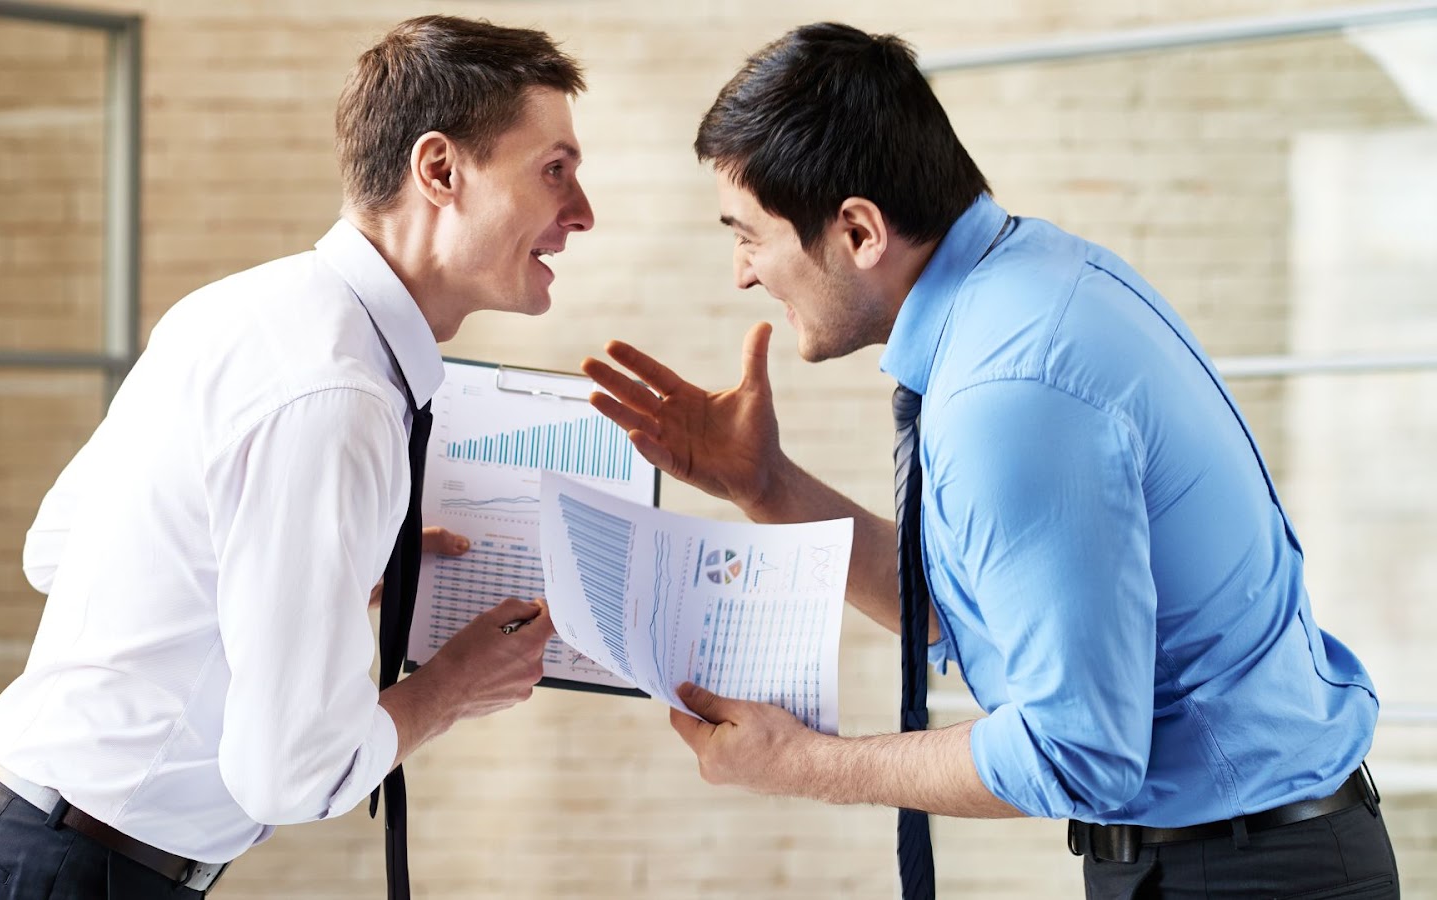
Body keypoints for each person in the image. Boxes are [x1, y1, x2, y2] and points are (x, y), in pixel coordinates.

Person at [582, 22, 1397, 899]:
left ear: (858, 229)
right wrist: (765, 487)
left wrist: (800, 764)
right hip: (1233, 852)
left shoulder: (1010, 395)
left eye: (749, 235)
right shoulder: (1028, 279)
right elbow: (977, 613)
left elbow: (1079, 754)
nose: (743, 273)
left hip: (1239, 872)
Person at [0, 15, 593, 899]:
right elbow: (290, 774)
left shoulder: (241, 308)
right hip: (70, 873)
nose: (583, 212)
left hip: (15, 849)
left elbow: (60, 548)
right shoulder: (337, 396)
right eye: (555, 171)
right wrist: (450, 688)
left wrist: (311, 573)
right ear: (440, 171)